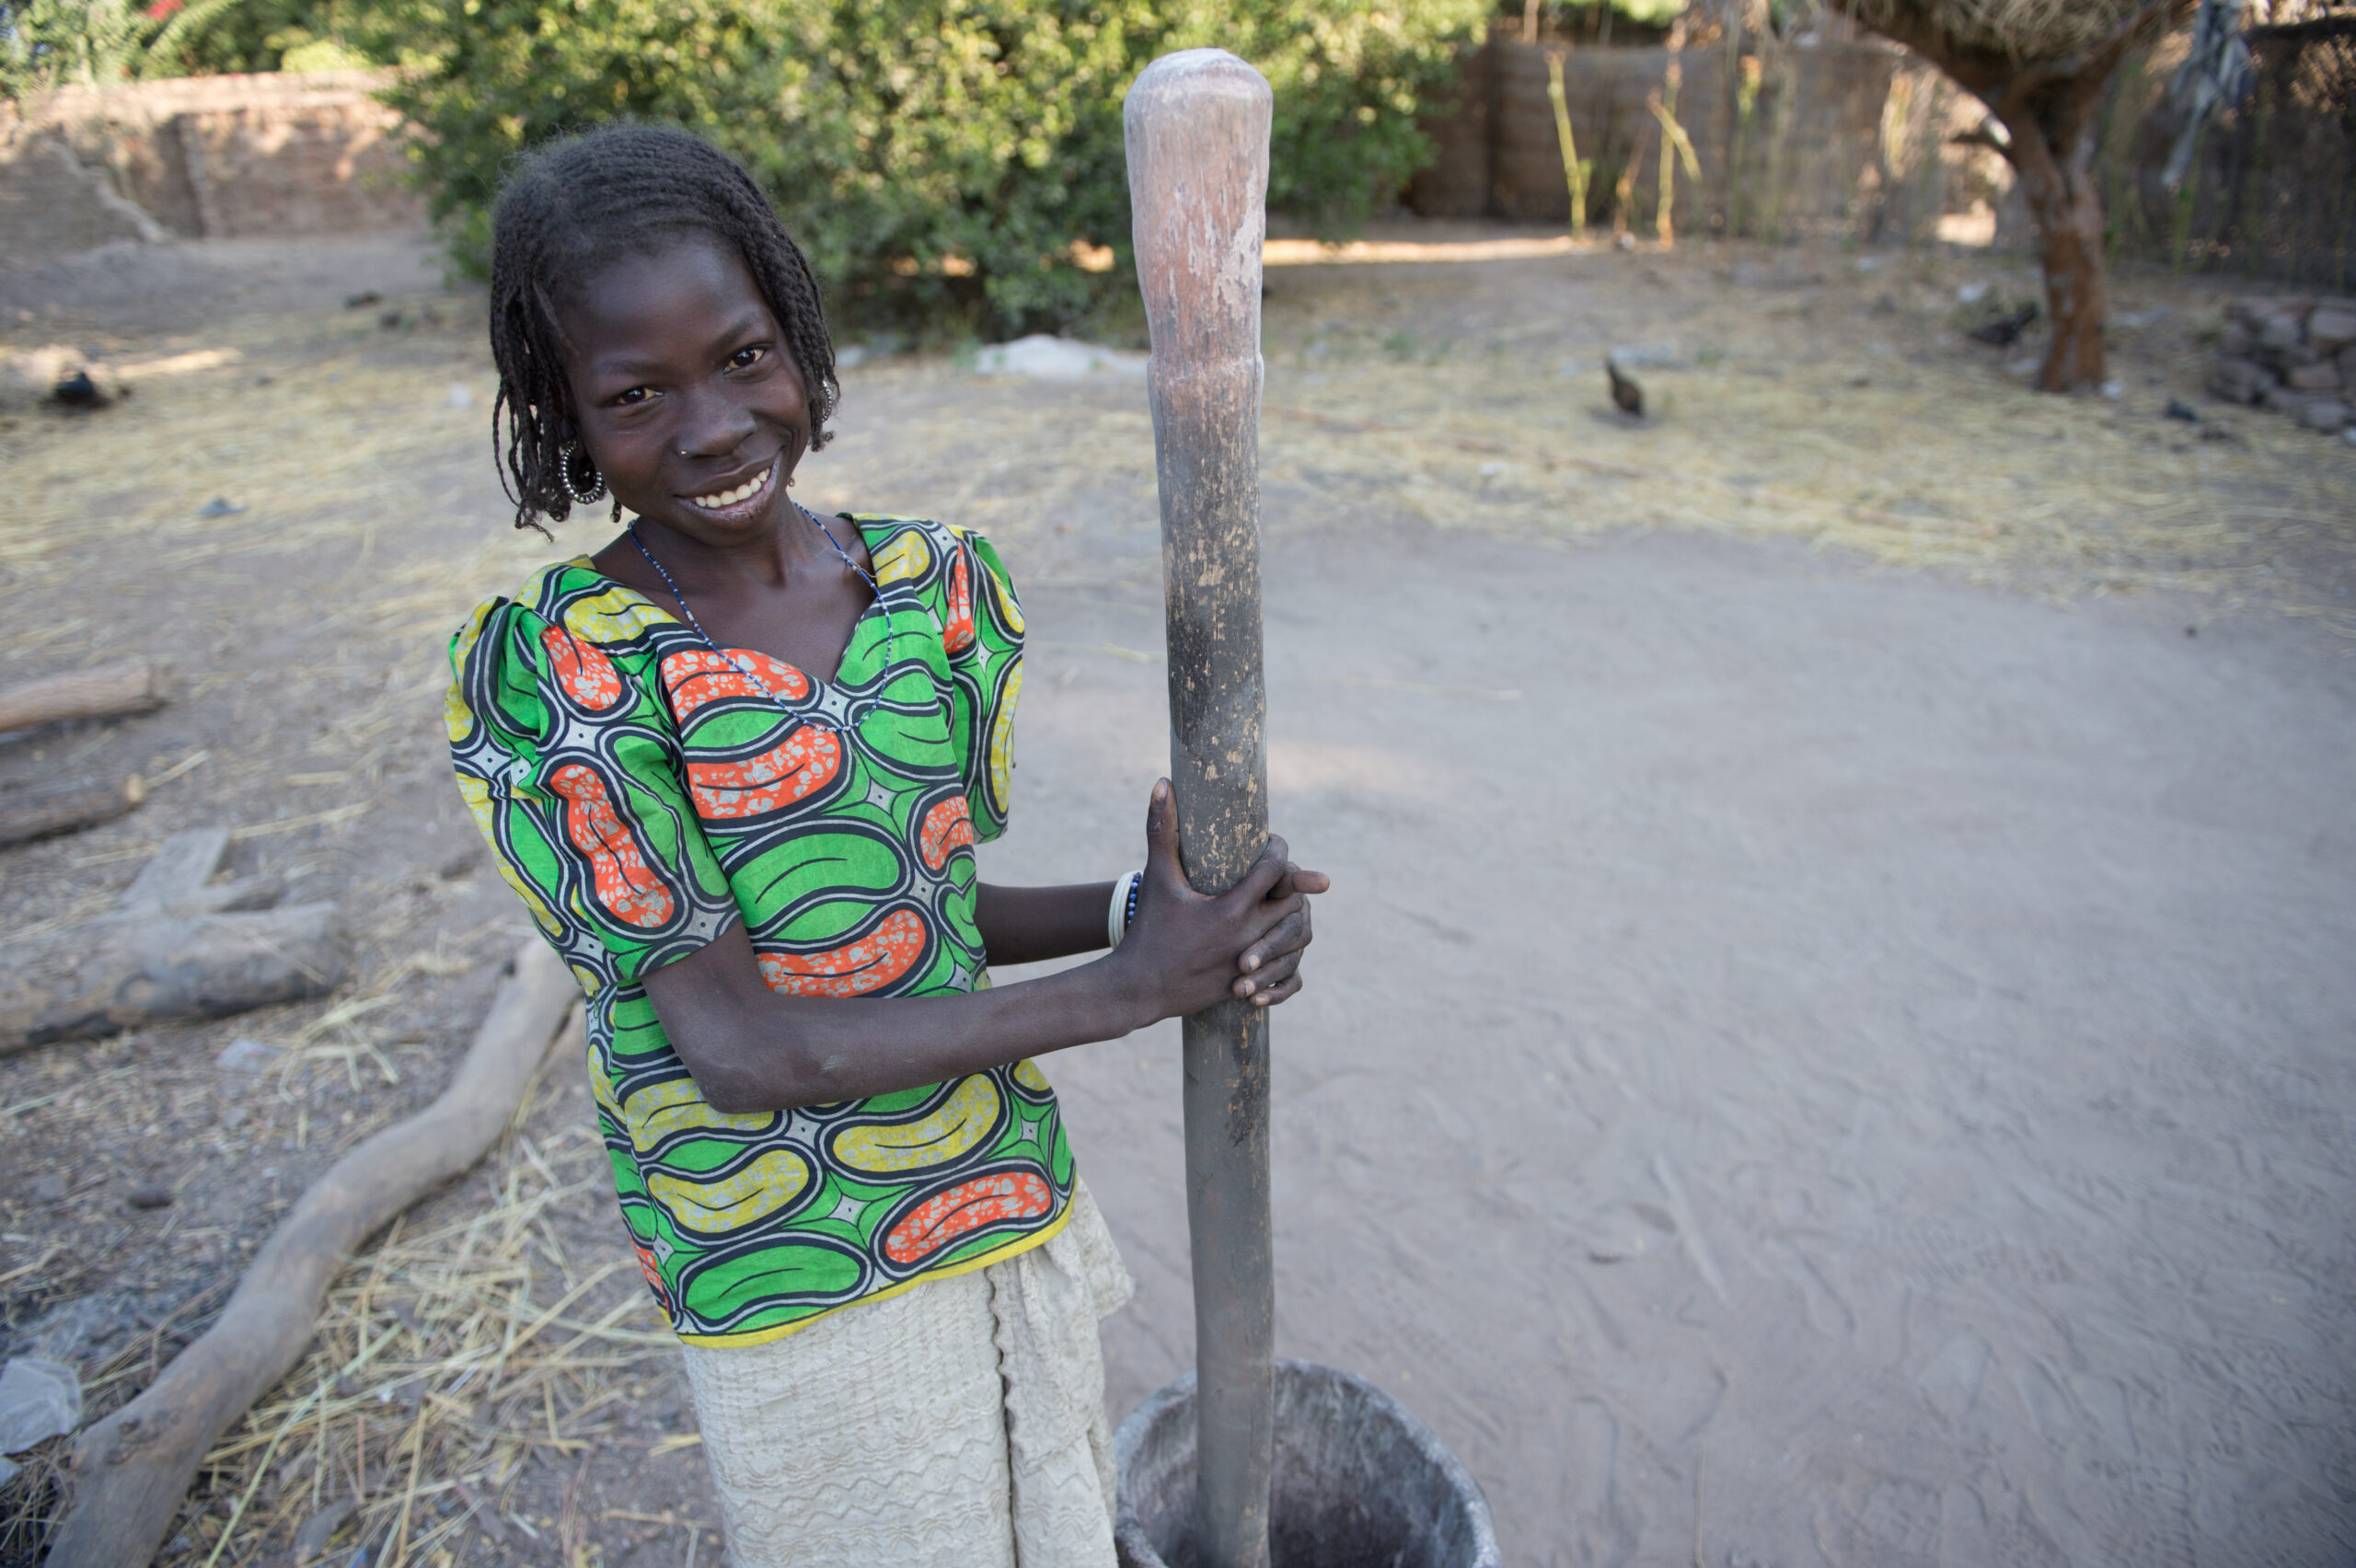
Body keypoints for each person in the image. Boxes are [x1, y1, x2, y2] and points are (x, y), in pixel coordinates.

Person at [444, 123, 1325, 1568]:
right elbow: (737, 1045)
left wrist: (1162, 915)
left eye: (739, 359)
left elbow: (911, 909)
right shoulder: (568, 673)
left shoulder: (930, 586)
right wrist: (1134, 987)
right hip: (793, 1265)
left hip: (990, 1188)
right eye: (635, 394)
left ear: (794, 333)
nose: (715, 427)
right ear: (563, 416)